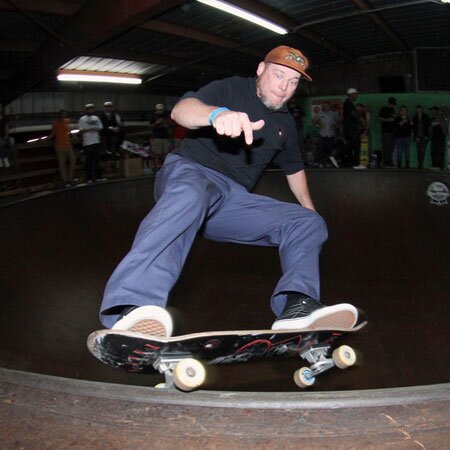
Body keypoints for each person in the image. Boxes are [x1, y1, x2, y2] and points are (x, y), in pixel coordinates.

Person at [99, 45, 359, 336]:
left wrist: (308, 208)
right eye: (278, 75)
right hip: (191, 173)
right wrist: (217, 114)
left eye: (292, 82)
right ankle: (131, 307)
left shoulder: (285, 122)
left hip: (232, 199)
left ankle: (298, 306)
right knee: (190, 195)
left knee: (309, 222)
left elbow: (294, 168)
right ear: (261, 69)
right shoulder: (233, 88)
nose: (283, 88)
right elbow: (182, 111)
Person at [49, 109, 76, 185]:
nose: (64, 116)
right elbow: (53, 134)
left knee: (73, 159)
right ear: (59, 115)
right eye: (63, 114)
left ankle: (70, 177)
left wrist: (74, 136)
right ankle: (65, 179)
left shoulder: (67, 121)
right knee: (62, 163)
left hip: (67, 144)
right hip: (59, 146)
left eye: (65, 114)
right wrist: (44, 139)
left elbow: (69, 131)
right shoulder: (55, 123)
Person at [78, 104, 104, 183]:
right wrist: (89, 129)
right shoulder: (82, 119)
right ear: (86, 110)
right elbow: (81, 130)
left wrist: (96, 129)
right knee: (89, 161)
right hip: (88, 143)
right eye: (89, 109)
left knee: (97, 160)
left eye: (92, 109)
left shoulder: (96, 118)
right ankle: (88, 178)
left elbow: (101, 127)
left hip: (96, 141)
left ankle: (98, 177)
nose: (91, 110)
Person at [312, 101, 339, 168]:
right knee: (320, 149)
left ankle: (330, 163)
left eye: (327, 105)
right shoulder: (319, 114)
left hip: (331, 134)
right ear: (323, 107)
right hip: (322, 134)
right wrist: (318, 126)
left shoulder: (333, 114)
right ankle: (318, 162)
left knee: (330, 150)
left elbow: (339, 121)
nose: (326, 107)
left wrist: (336, 126)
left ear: (329, 106)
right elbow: (313, 121)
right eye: (324, 105)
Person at [342, 88, 359, 167]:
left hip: (349, 128)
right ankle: (353, 162)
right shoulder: (348, 103)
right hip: (350, 128)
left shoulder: (349, 103)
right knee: (353, 145)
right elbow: (354, 114)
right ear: (351, 95)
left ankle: (350, 162)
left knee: (351, 145)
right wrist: (360, 116)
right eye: (356, 94)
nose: (357, 96)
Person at [378, 97, 397, 167]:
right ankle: (385, 162)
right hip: (385, 131)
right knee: (385, 147)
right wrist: (387, 120)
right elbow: (380, 118)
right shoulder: (383, 109)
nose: (393, 105)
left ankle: (390, 161)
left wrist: (394, 119)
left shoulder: (393, 110)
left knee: (391, 147)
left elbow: (394, 119)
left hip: (392, 132)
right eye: (392, 104)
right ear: (390, 103)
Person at [429, 106, 447, 170]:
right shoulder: (432, 119)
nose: (432, 112)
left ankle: (440, 166)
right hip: (434, 138)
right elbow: (431, 127)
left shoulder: (442, 118)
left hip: (441, 138)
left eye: (433, 110)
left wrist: (440, 119)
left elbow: (445, 129)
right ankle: (434, 165)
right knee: (433, 152)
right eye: (432, 111)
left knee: (440, 152)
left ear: (437, 111)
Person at [412, 105, 430, 169]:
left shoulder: (426, 116)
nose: (419, 110)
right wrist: (416, 137)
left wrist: (427, 136)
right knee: (419, 151)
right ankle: (420, 164)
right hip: (418, 137)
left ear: (422, 109)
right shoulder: (415, 118)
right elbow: (414, 129)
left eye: (420, 109)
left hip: (424, 137)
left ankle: (421, 164)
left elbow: (428, 127)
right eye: (417, 109)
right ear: (416, 110)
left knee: (422, 151)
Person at [0, 104, 11, 169]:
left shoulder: (4, 118)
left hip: (3, 136)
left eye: (0, 107)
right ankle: (4, 158)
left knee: (7, 142)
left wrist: (6, 135)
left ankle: (4, 158)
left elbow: (7, 127)